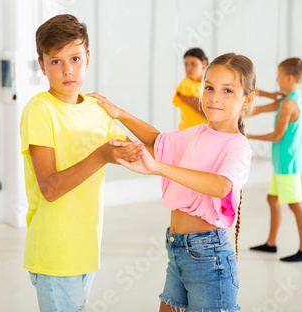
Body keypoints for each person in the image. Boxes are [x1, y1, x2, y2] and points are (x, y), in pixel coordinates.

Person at [89, 52, 255, 311]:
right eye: (209, 87)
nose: (214, 97)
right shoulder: (197, 134)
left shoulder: (237, 146)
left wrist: (160, 168)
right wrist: (117, 113)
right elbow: (158, 141)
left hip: (209, 257)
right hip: (177, 249)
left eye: (228, 91)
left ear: (247, 99)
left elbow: (221, 185)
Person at [20, 14, 142, 311]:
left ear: (87, 58)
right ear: (42, 65)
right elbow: (49, 188)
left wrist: (122, 114)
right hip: (55, 251)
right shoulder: (40, 110)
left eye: (74, 58)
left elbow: (150, 147)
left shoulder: (97, 110)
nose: (67, 70)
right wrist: (102, 155)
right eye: (55, 61)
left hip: (86, 247)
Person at [248, 58, 302, 262]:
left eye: (279, 75)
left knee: (295, 206)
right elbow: (261, 109)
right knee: (272, 199)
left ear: (289, 77)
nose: (276, 79)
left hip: (287, 165)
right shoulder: (290, 99)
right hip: (282, 163)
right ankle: (271, 243)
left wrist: (249, 137)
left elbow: (276, 136)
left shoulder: (289, 104)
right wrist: (237, 113)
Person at [172, 48, 209, 130]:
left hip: (207, 135)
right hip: (189, 135)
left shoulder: (210, 85)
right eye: (186, 64)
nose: (189, 68)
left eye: (193, 63)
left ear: (204, 63)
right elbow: (204, 110)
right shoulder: (185, 86)